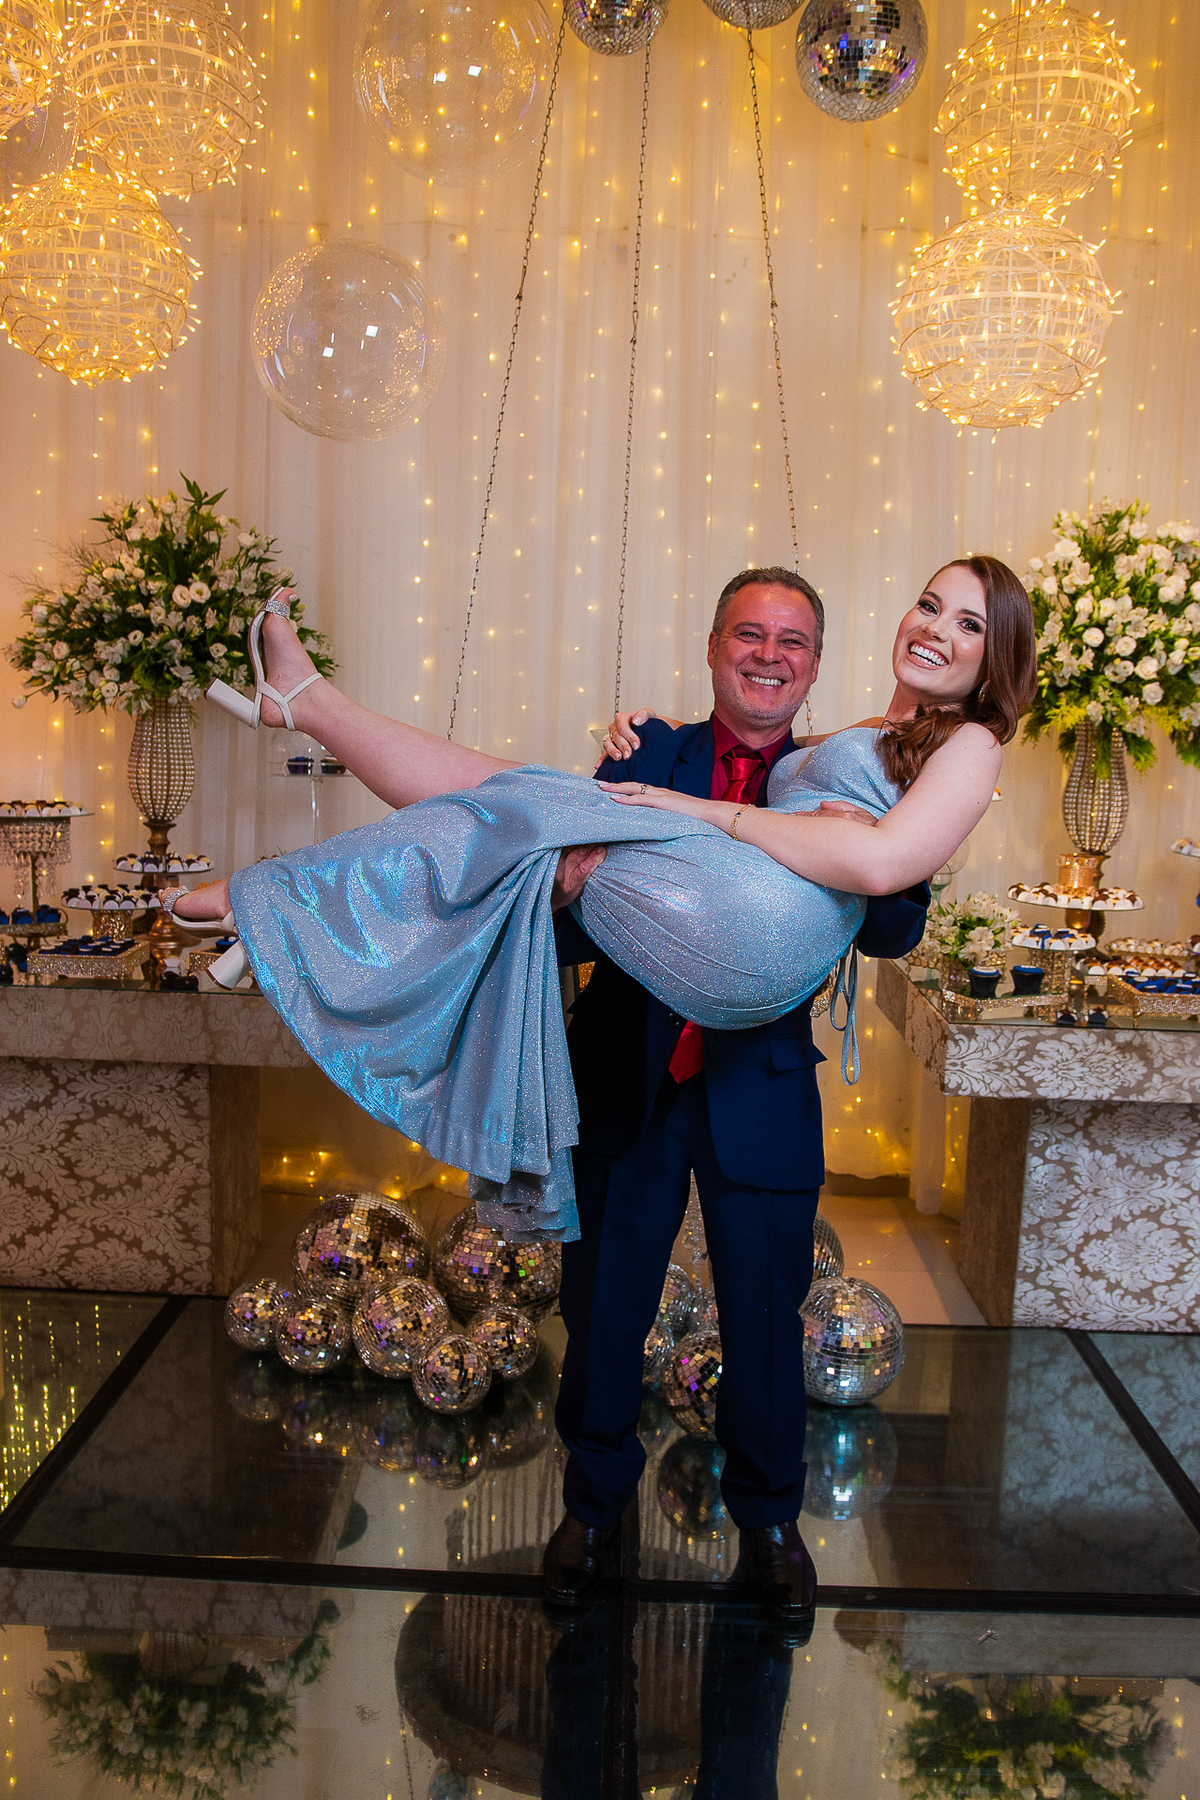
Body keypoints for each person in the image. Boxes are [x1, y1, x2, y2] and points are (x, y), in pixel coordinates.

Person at [168, 555, 1035, 1618]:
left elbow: (890, 918)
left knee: (766, 1324)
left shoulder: (889, 756)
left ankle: (770, 1529)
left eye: (792, 643)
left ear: (814, 667)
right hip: (629, 1077)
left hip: (757, 1086)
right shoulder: (655, 749)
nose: (769, 656)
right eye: (750, 635)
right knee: (604, 1313)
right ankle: (591, 1508)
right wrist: (570, 882)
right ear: (713, 649)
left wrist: (833, 840)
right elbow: (577, 932)